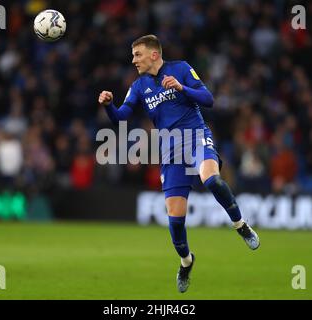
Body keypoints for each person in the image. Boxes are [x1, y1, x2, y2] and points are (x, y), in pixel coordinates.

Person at [98, 35, 260, 293]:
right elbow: (121, 117)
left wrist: (182, 88)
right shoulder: (139, 86)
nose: (133, 60)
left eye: (137, 54)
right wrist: (109, 105)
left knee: (212, 179)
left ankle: (240, 225)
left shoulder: (181, 69)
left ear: (153, 54)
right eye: (133, 55)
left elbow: (208, 99)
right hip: (170, 150)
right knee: (175, 221)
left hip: (195, 137)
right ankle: (186, 262)